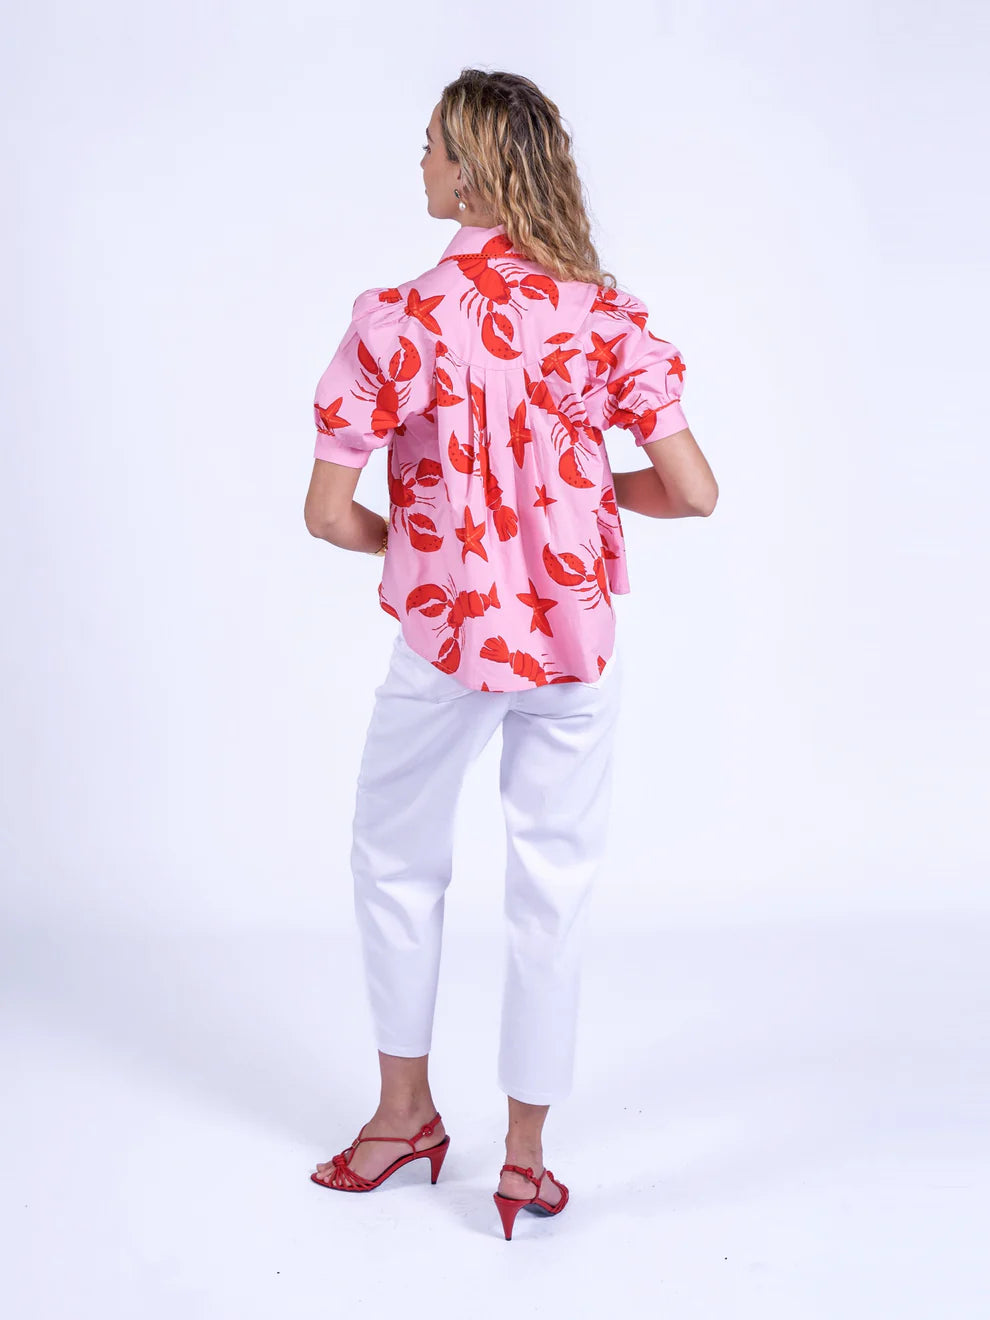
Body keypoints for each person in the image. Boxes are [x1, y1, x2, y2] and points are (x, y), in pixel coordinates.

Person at [303, 68, 718, 1238]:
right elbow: (694, 491)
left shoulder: (397, 321)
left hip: (447, 646)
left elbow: (328, 515)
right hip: (574, 651)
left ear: (474, 174)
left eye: (433, 147)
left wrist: (436, 545)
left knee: (396, 862)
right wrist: (569, 501)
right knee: (554, 884)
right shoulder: (603, 317)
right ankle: (526, 1158)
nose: (421, 164)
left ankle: (404, 1118)